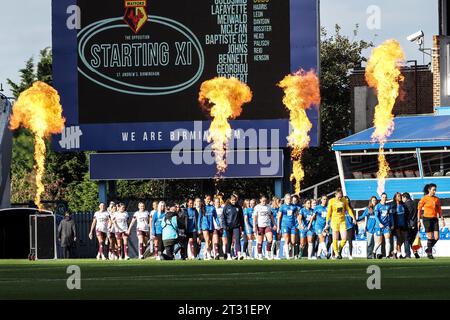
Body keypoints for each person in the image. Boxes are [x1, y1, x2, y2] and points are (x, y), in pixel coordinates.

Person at [325, 189, 356, 259]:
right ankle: (336, 254)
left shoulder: (344, 200)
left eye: (340, 196)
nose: (340, 198)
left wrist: (353, 218)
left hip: (342, 222)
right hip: (334, 222)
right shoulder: (331, 201)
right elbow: (329, 213)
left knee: (344, 239)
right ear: (335, 195)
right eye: (338, 197)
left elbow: (348, 209)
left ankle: (339, 250)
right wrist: (327, 222)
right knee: (335, 238)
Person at [418, 183, 445, 259]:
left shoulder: (436, 199)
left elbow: (439, 210)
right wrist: (418, 220)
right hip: (426, 219)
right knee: (430, 236)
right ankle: (429, 254)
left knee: (436, 237)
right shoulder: (424, 198)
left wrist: (442, 218)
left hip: (434, 219)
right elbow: (419, 210)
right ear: (429, 190)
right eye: (433, 190)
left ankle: (428, 249)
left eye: (435, 190)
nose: (435, 191)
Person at [253, 195, 276, 260]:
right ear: (260, 200)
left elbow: (271, 216)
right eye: (263, 201)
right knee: (260, 241)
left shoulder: (268, 206)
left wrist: (274, 224)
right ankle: (260, 255)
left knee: (270, 239)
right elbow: (255, 217)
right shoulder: (257, 207)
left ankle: (268, 254)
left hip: (267, 225)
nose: (264, 202)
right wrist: (254, 226)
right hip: (260, 226)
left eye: (265, 201)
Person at [223, 195, 245, 260]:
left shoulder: (239, 207)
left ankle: (239, 254)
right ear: (230, 200)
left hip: (236, 226)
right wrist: (225, 226)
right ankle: (229, 255)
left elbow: (241, 218)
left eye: (235, 200)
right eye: (232, 200)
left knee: (237, 240)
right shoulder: (226, 207)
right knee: (229, 241)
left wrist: (243, 228)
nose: (234, 201)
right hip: (228, 227)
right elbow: (223, 218)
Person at [373, 193, 394, 259]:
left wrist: (392, 224)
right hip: (379, 226)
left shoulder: (388, 206)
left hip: (386, 225)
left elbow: (391, 216)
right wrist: (379, 223)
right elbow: (376, 216)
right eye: (383, 197)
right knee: (379, 242)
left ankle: (387, 255)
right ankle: (373, 251)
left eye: (385, 197)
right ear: (381, 198)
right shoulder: (377, 206)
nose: (384, 198)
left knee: (387, 240)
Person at [277, 193, 298, 259]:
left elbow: (297, 216)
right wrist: (278, 227)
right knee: (287, 239)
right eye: (288, 198)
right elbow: (279, 217)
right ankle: (287, 255)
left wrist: (299, 224)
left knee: (293, 241)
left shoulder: (294, 206)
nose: (289, 200)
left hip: (293, 225)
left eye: (290, 198)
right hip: (285, 225)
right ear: (285, 199)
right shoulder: (282, 207)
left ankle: (291, 253)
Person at [198, 195, 218, 260]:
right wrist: (199, 228)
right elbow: (199, 218)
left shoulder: (212, 207)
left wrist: (218, 224)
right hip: (204, 226)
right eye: (207, 199)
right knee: (207, 240)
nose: (208, 200)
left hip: (211, 226)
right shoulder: (202, 207)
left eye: (209, 199)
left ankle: (206, 253)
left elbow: (216, 217)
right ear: (204, 199)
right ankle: (205, 255)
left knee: (209, 241)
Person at [391, 192, 409, 259]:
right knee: (399, 239)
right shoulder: (393, 206)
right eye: (398, 196)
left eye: (400, 196)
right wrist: (392, 224)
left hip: (403, 225)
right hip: (396, 225)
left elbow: (406, 215)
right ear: (395, 198)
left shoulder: (403, 205)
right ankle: (399, 254)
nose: (400, 197)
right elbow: (392, 216)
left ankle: (395, 251)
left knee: (403, 239)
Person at [402, 192, 420, 258]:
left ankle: (408, 255)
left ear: (405, 197)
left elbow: (408, 215)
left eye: (402, 198)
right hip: (415, 224)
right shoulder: (415, 203)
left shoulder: (405, 204)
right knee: (412, 239)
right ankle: (415, 252)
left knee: (406, 239)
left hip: (408, 224)